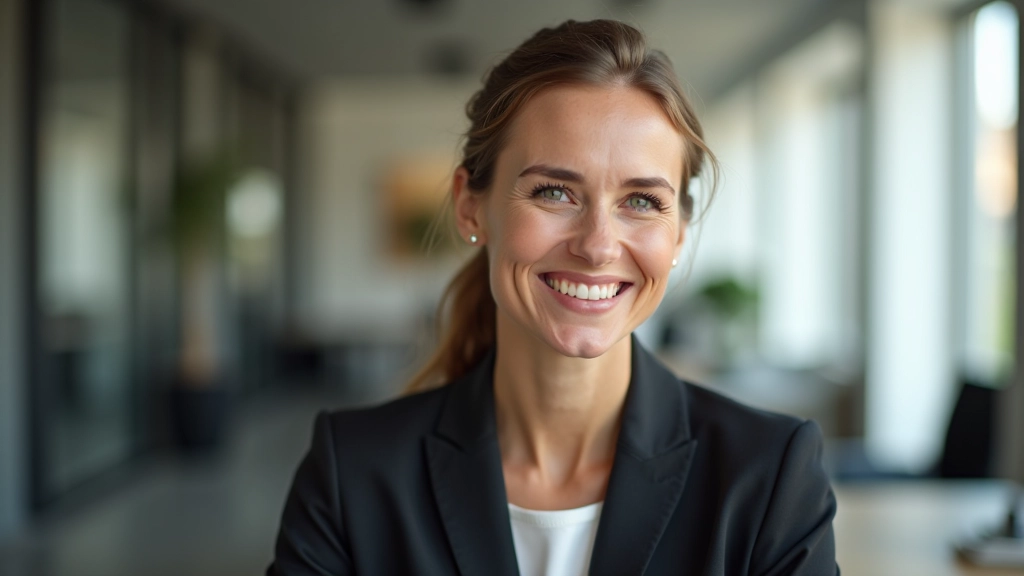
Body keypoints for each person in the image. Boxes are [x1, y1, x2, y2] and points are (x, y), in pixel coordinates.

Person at [267, 19, 838, 576]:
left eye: (641, 201)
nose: (597, 245)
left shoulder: (769, 476)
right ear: (470, 207)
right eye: (555, 192)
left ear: (680, 232)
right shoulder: (353, 473)